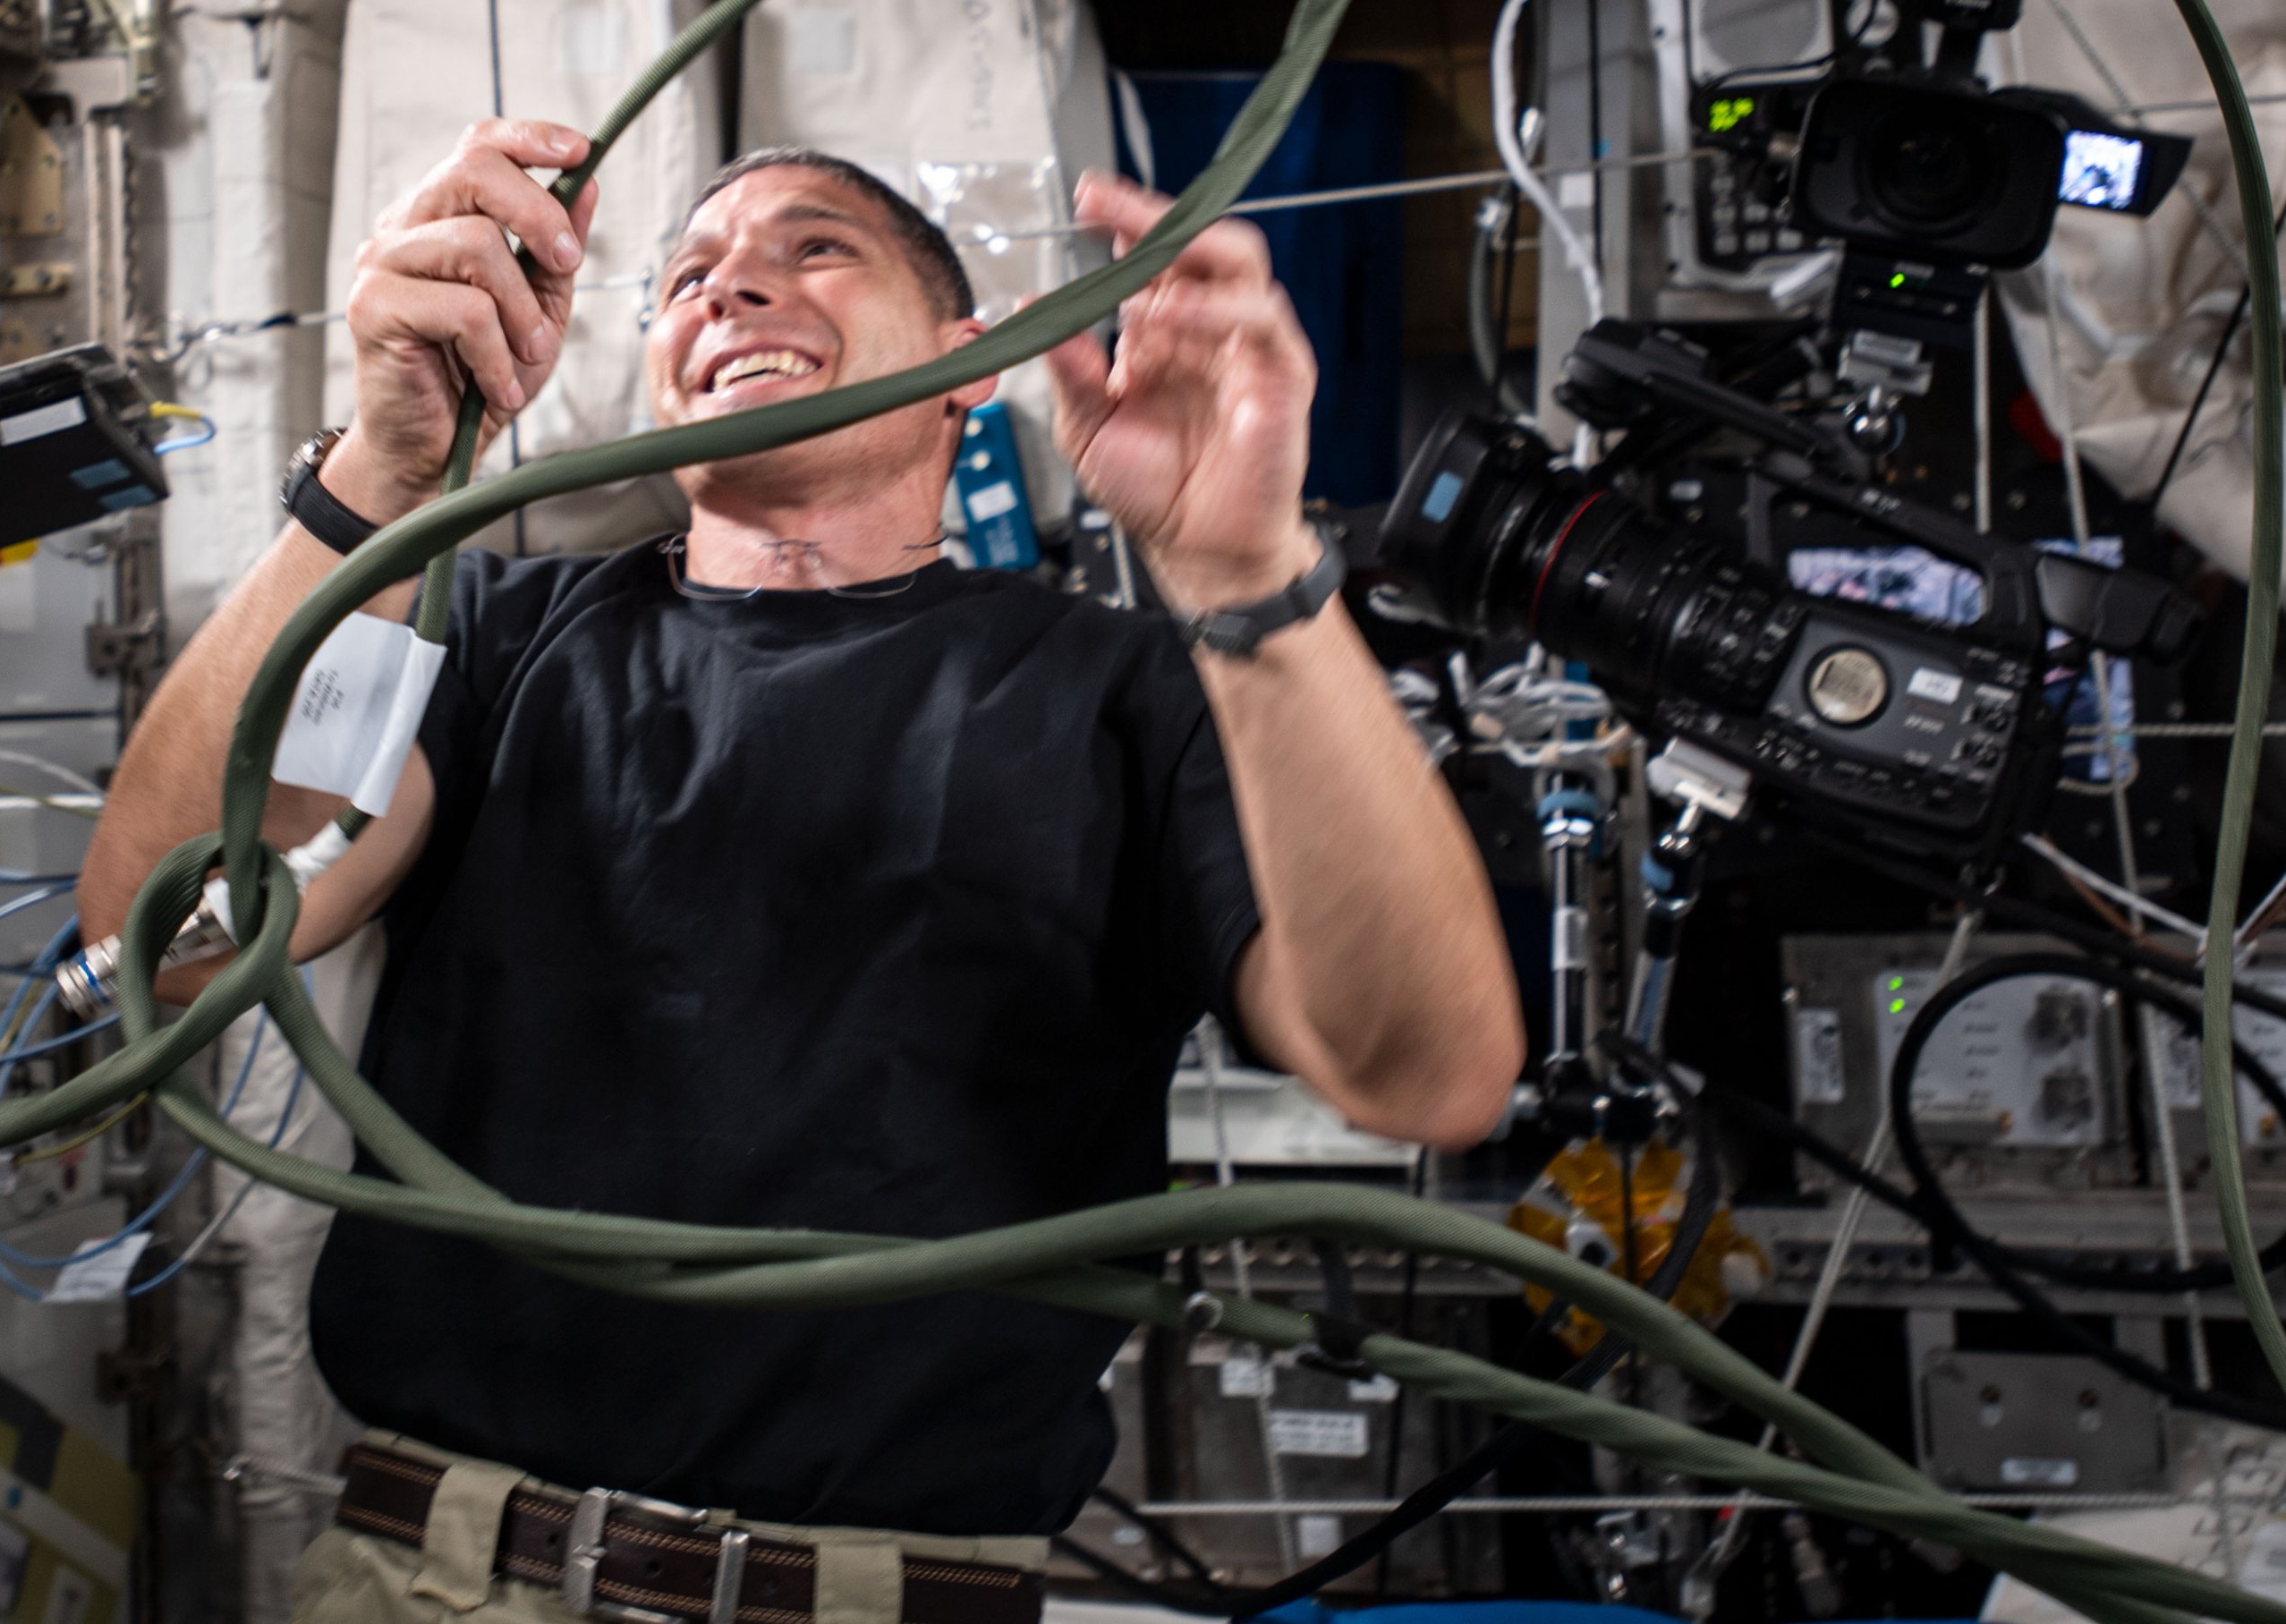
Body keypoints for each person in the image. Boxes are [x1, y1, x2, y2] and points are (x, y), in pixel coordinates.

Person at [81, 121, 1521, 1624]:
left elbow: (1427, 1077)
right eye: (688, 275)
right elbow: (164, 932)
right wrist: (375, 471)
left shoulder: (1133, 691)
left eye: (814, 248)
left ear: (973, 363)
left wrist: (1242, 573)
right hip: (436, 1581)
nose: (731, 289)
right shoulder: (493, 639)